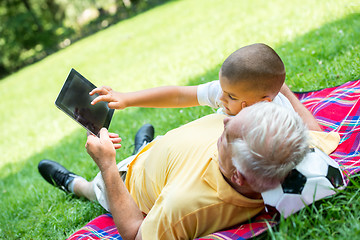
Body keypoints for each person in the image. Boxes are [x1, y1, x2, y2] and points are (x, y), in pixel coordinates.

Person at [39, 102, 310, 240]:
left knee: (96, 188)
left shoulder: (184, 205)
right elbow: (316, 135)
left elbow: (135, 233)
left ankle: (72, 183)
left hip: (129, 181)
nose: (226, 119)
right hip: (161, 158)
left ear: (238, 176)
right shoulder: (284, 144)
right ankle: (142, 146)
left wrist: (107, 164)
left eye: (229, 132)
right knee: (146, 149)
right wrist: (281, 89)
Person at [89, 43, 322, 131]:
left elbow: (316, 138)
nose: (220, 97)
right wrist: (128, 99)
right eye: (222, 88)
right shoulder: (228, 92)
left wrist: (286, 92)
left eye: (230, 96)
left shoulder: (277, 121)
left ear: (261, 103)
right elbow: (179, 96)